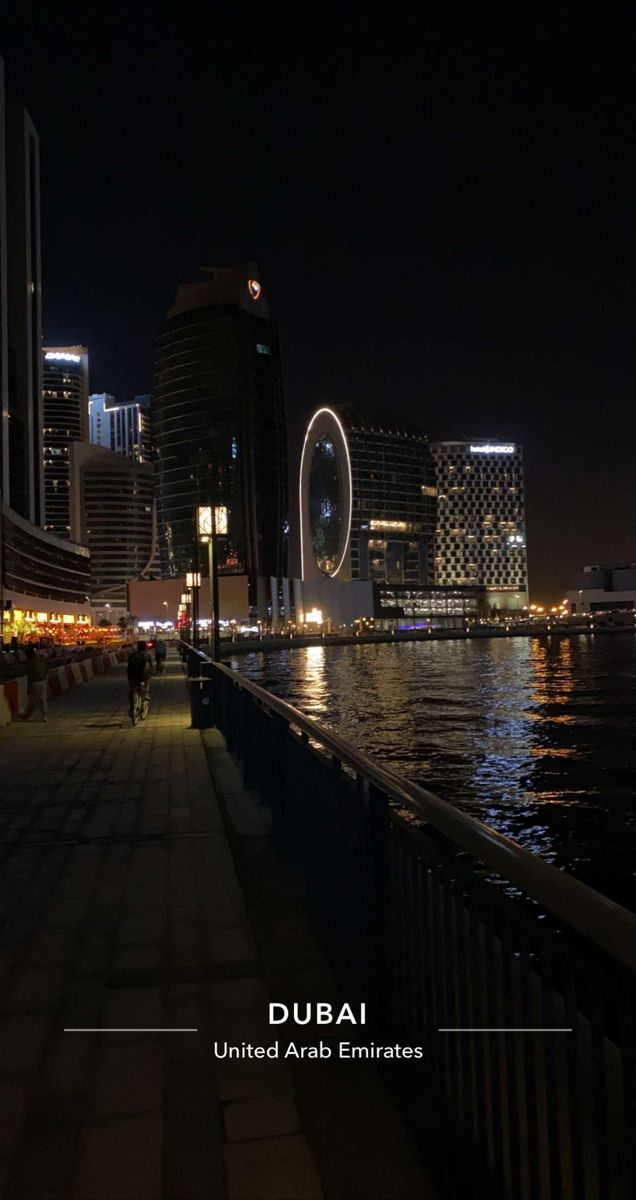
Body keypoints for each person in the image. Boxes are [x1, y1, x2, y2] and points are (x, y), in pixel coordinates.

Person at [127, 640, 153, 719]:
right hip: (142, 675)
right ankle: (146, 694)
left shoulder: (132, 655)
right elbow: (151, 666)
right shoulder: (147, 654)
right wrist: (152, 671)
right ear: (145, 647)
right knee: (148, 678)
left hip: (131, 675)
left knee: (132, 691)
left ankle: (132, 708)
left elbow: (129, 665)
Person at [22, 645, 49, 722]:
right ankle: (45, 716)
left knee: (32, 701)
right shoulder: (42, 660)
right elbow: (47, 670)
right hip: (42, 681)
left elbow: (29, 674)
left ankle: (30, 716)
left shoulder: (31, 662)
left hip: (34, 683)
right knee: (43, 700)